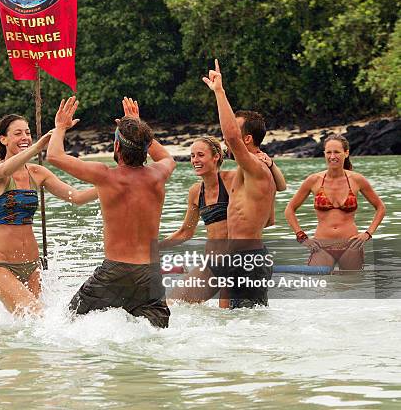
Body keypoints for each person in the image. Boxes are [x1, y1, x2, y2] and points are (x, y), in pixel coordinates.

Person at [47, 96, 176, 328]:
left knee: (66, 322)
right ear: (146, 148)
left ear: (117, 146)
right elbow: (166, 157)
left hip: (115, 270)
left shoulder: (106, 176)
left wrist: (60, 127)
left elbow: (54, 155)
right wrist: (137, 123)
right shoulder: (158, 174)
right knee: (156, 333)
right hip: (150, 273)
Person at [180, 59, 277, 309]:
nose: (226, 134)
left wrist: (219, 92)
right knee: (227, 326)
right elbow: (270, 218)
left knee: (244, 329)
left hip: (248, 260)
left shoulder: (256, 168)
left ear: (246, 138)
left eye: (234, 127)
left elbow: (231, 136)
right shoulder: (249, 171)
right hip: (234, 259)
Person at [0, 111, 98, 316]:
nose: (25, 137)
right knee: (37, 318)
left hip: (33, 267)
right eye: (18, 133)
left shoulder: (37, 172)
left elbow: (78, 197)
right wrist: (38, 147)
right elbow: (5, 170)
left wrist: (114, 185)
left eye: (27, 132)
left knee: (35, 329)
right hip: (3, 267)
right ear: (3, 139)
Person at [160, 136, 286, 307]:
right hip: (212, 266)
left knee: (229, 320)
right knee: (172, 305)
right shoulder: (196, 192)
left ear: (216, 156)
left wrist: (271, 165)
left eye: (200, 155)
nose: (195, 160)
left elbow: (278, 185)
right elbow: (185, 232)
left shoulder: (233, 180)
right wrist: (154, 247)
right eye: (192, 156)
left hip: (238, 263)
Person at [284, 134, 385, 270]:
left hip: (351, 246)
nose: (332, 156)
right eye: (328, 152)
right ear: (324, 154)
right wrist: (302, 237)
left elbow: (380, 207)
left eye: (337, 152)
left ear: (346, 153)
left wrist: (367, 234)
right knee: (319, 289)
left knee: (353, 289)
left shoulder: (357, 180)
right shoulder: (314, 180)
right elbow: (289, 209)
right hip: (321, 246)